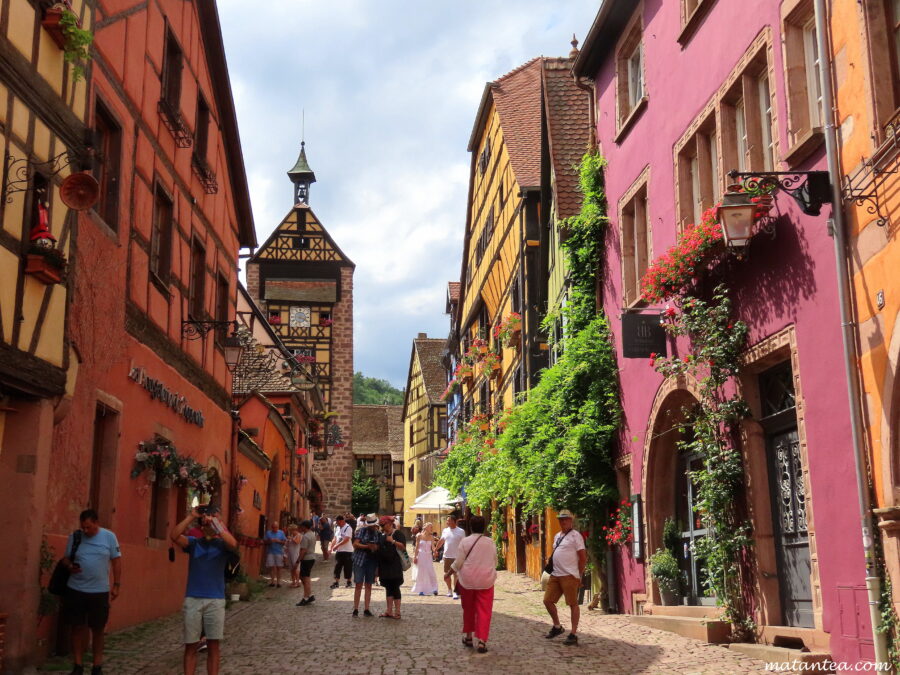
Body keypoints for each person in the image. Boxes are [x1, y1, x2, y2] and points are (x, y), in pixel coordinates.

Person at [171, 506, 238, 675]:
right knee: (190, 646)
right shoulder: (193, 544)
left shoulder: (223, 545)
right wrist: (192, 516)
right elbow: (174, 536)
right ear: (201, 527)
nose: (208, 524)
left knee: (213, 647)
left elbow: (233, 543)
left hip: (215, 600)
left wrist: (217, 521)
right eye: (205, 522)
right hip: (193, 598)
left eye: (211, 522)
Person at [61, 509, 122, 675]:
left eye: (89, 527)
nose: (86, 531)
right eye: (83, 527)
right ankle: (78, 665)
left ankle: (97, 665)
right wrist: (69, 566)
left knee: (98, 629)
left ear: (96, 523)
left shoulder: (109, 537)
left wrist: (116, 585)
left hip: (99, 591)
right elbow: (66, 558)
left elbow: (116, 561)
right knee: (77, 627)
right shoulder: (76, 537)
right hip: (76, 589)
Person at [452, 515, 497, 654]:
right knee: (484, 611)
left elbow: (459, 562)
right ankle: (482, 641)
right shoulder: (490, 542)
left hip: (468, 581)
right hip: (486, 581)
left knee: (469, 609)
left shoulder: (465, 542)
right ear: (484, 527)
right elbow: (495, 561)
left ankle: (469, 637)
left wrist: (449, 572)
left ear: (470, 527)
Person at [543, 509, 587, 646]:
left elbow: (583, 557)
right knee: (547, 601)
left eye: (566, 519)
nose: (563, 521)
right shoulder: (557, 536)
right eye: (561, 519)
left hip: (569, 575)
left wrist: (578, 575)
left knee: (572, 604)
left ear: (571, 520)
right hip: (556, 574)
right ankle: (557, 626)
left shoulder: (576, 536)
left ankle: (573, 633)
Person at [377, 516, 407, 619]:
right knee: (388, 588)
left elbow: (403, 547)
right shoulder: (381, 535)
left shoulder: (397, 533)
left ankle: (397, 612)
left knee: (395, 587)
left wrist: (393, 541)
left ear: (389, 524)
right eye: (380, 525)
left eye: (383, 525)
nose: (381, 527)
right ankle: (389, 611)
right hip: (384, 566)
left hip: (395, 565)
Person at [351, 513, 380, 617]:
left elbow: (379, 548)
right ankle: (355, 609)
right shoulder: (361, 531)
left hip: (371, 561)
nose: (372, 527)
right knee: (358, 584)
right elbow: (355, 544)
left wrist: (375, 547)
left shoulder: (377, 533)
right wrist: (367, 546)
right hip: (360, 560)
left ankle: (366, 609)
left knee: (368, 585)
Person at [436, 515, 465, 599]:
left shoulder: (461, 531)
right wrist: (436, 550)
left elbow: (464, 543)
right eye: (447, 520)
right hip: (447, 556)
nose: (447, 522)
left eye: (448, 520)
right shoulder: (445, 530)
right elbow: (441, 541)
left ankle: (455, 591)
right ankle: (449, 590)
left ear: (454, 521)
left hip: (457, 556)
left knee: (456, 574)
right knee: (447, 575)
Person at [411, 522, 438, 596]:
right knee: (421, 572)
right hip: (421, 555)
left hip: (428, 556)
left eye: (432, 527)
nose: (431, 529)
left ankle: (434, 588)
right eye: (430, 527)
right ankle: (421, 589)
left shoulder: (432, 537)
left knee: (430, 571)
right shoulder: (419, 536)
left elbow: (433, 547)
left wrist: (435, 552)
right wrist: (415, 557)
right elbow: (417, 547)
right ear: (425, 527)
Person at [295, 520, 318, 606]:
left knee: (305, 578)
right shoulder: (312, 534)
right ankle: (310, 595)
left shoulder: (305, 536)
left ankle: (306, 597)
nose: (300, 528)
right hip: (311, 557)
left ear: (305, 527)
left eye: (301, 526)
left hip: (307, 558)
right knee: (303, 576)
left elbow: (303, 550)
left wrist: (298, 560)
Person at [330, 514, 354, 589]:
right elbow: (335, 538)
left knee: (348, 567)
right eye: (337, 523)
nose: (337, 524)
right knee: (337, 567)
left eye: (338, 523)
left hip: (347, 551)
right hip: (339, 551)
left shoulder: (348, 528)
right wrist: (331, 547)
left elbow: (346, 539)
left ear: (342, 521)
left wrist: (336, 546)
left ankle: (349, 582)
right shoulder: (337, 528)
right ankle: (336, 582)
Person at [263, 520, 287, 587]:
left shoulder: (281, 533)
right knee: (271, 567)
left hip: (279, 552)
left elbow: (284, 542)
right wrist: (270, 541)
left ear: (278, 527)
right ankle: (272, 582)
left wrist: (278, 541)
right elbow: (264, 542)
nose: (275, 529)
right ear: (272, 527)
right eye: (273, 527)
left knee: (279, 567)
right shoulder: (268, 533)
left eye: (276, 527)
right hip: (270, 552)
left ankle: (279, 582)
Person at [285, 524, 302, 588]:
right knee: (291, 568)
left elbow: (297, 542)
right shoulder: (292, 535)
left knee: (296, 568)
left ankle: (298, 582)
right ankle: (293, 581)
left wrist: (291, 539)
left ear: (294, 530)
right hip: (290, 553)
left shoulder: (299, 535)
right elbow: (287, 545)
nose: (290, 532)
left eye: (291, 531)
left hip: (296, 553)